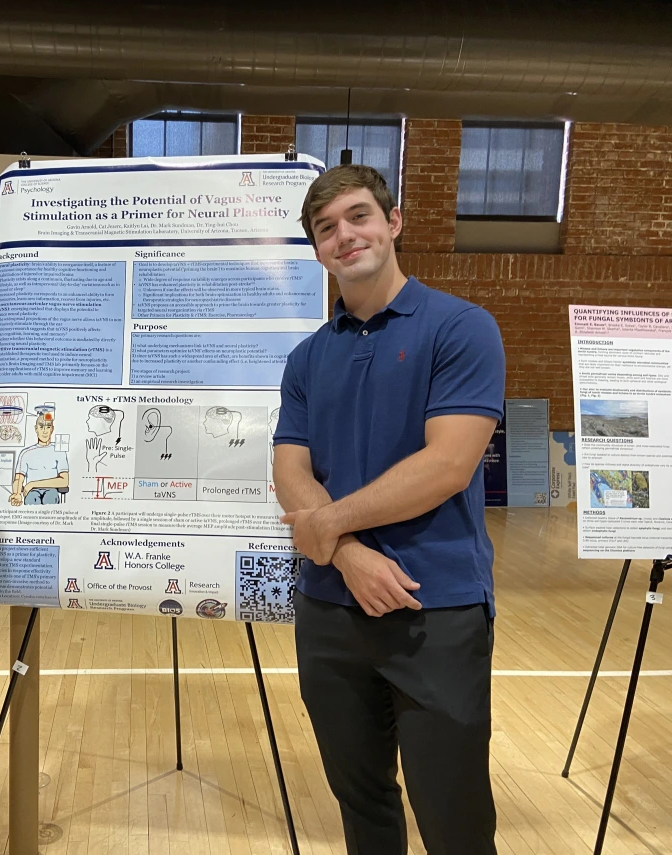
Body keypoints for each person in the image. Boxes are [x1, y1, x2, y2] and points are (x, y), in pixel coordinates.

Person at [273, 164, 505, 854]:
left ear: (393, 221)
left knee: (454, 814)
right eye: (326, 228)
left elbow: (447, 464)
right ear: (316, 250)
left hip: (434, 608)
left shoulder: (462, 328)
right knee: (362, 805)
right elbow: (291, 471)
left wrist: (330, 526)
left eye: (358, 216)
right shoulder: (307, 357)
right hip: (328, 609)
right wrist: (347, 556)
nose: (345, 235)